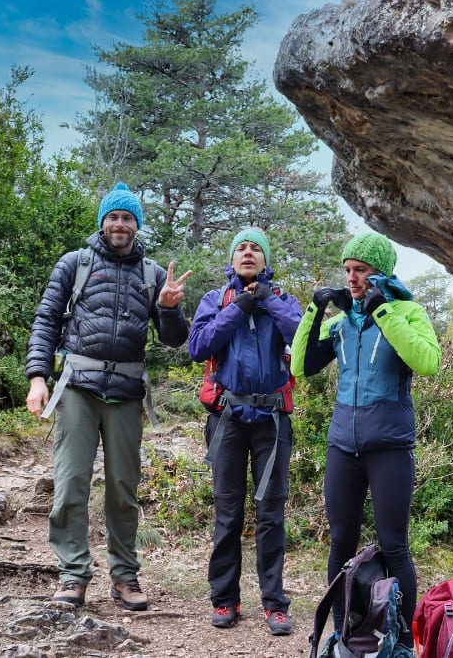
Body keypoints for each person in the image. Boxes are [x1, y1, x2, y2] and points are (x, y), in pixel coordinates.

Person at [25, 182, 191, 612]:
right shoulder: (74, 264)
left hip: (126, 393)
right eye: (113, 217)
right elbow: (45, 321)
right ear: (103, 222)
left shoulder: (152, 274)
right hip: (78, 387)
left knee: (122, 488)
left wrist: (170, 307)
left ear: (137, 225)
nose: (120, 224)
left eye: (128, 218)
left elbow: (174, 340)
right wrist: (37, 378)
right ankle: (72, 573)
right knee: (70, 483)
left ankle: (124, 576)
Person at [290, 232, 441, 651]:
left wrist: (384, 312)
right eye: (348, 271)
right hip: (343, 446)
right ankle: (343, 634)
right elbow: (302, 366)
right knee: (341, 543)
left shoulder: (408, 312)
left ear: (380, 274)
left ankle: (404, 642)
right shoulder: (342, 324)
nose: (352, 278)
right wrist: (314, 309)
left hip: (390, 447)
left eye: (361, 271)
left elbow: (427, 362)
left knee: (395, 545)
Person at [187, 227, 302, 635]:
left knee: (271, 514)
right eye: (242, 248)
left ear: (266, 260)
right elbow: (198, 346)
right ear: (232, 259)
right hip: (227, 420)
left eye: (256, 249)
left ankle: (274, 604)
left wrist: (267, 299)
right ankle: (225, 600)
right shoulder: (215, 301)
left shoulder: (283, 301)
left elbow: (302, 343)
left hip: (271, 422)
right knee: (228, 513)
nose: (248, 253)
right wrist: (240, 306)